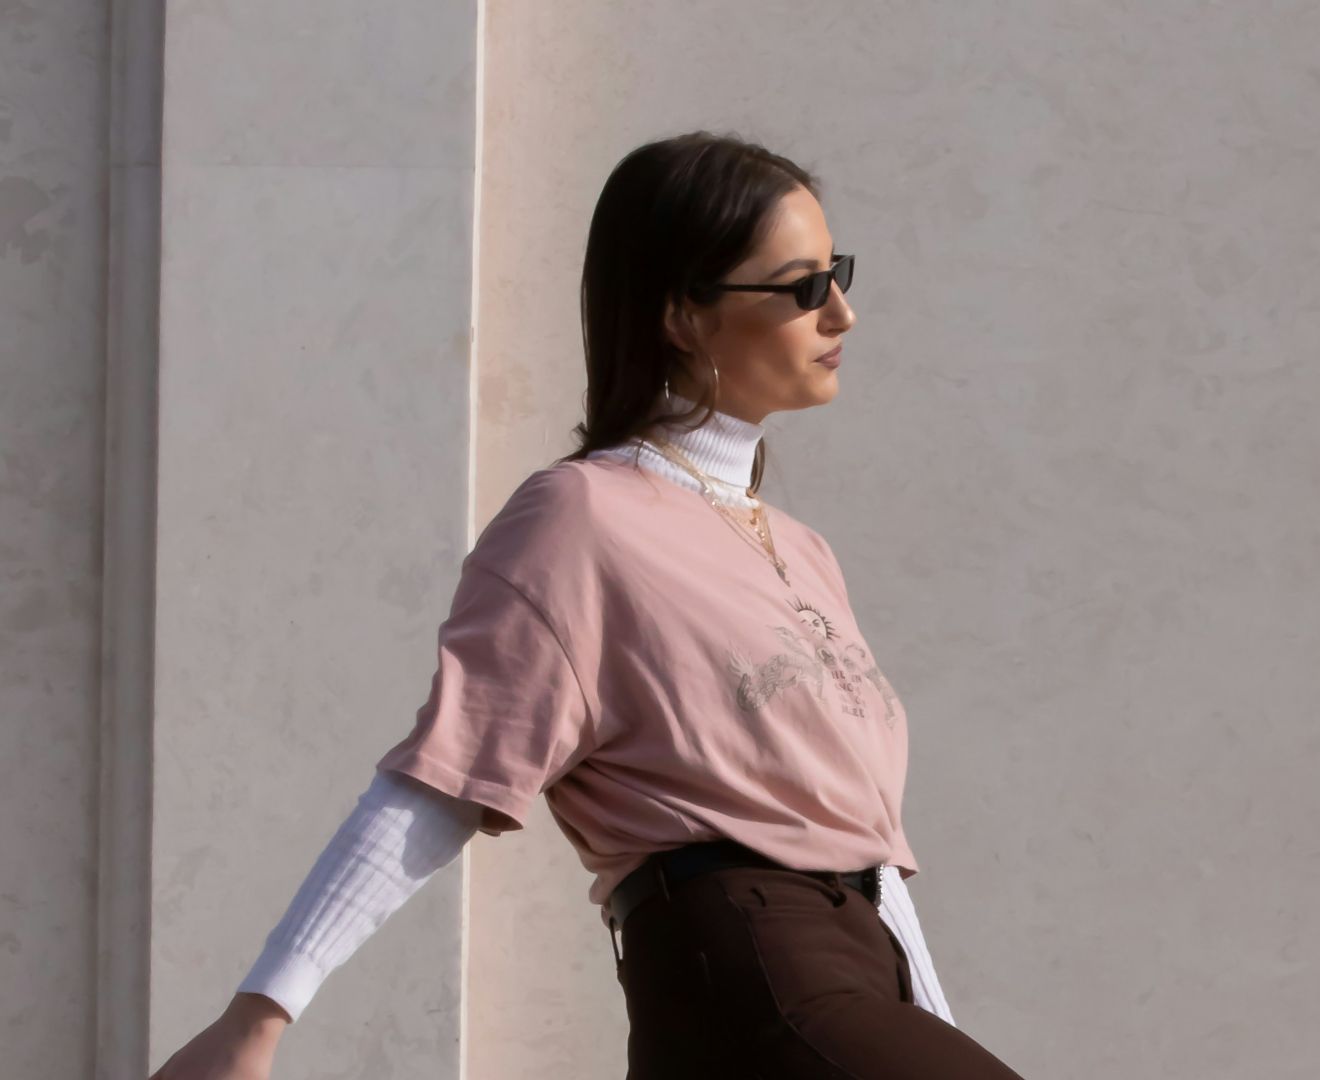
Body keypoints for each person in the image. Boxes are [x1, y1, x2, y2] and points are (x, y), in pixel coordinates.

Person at [150, 131, 1030, 1079]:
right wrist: (259, 1018)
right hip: (751, 965)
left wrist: (930, 1013)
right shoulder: (582, 517)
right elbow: (446, 774)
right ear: (684, 317)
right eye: (804, 286)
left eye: (839, 273)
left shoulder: (805, 551)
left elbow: (868, 848)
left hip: (850, 968)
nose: (843, 313)